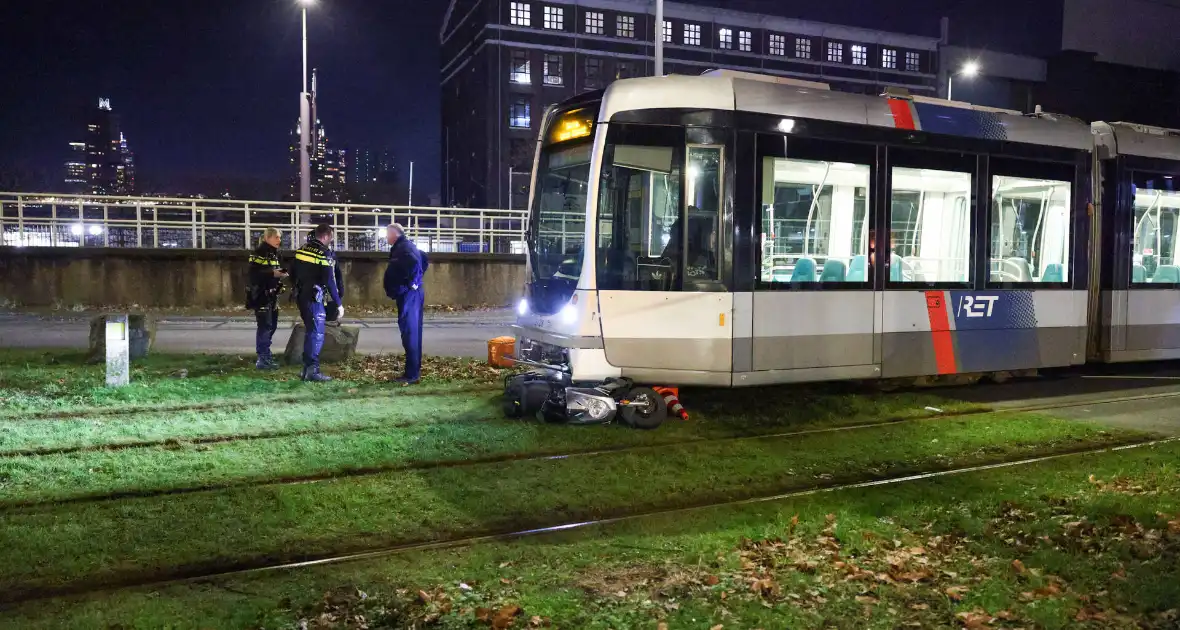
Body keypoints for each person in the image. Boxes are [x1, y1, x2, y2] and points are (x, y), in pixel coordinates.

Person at [291, 224, 343, 382]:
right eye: (331, 236)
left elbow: (292, 273)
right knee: (316, 335)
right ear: (326, 236)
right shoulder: (324, 254)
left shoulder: (302, 249)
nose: (332, 239)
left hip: (301, 296)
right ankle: (312, 371)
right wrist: (339, 303)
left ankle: (306, 369)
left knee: (310, 332)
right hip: (314, 299)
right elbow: (330, 281)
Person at [384, 223, 429, 384]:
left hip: (409, 296)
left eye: (387, 234)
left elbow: (416, 263)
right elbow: (423, 258)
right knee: (411, 332)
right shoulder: (404, 246)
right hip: (410, 294)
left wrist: (412, 284)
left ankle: (411, 374)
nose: (385, 237)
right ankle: (412, 371)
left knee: (410, 333)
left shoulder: (403, 248)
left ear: (394, 234)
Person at [245, 228, 288, 370]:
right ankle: (263, 358)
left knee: (272, 326)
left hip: (272, 296)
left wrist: (281, 275)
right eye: (276, 237)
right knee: (265, 326)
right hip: (261, 296)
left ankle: (266, 355)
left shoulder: (274, 253)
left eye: (280, 237)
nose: (279, 240)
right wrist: (272, 273)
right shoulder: (259, 252)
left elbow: (275, 270)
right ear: (267, 238)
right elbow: (253, 274)